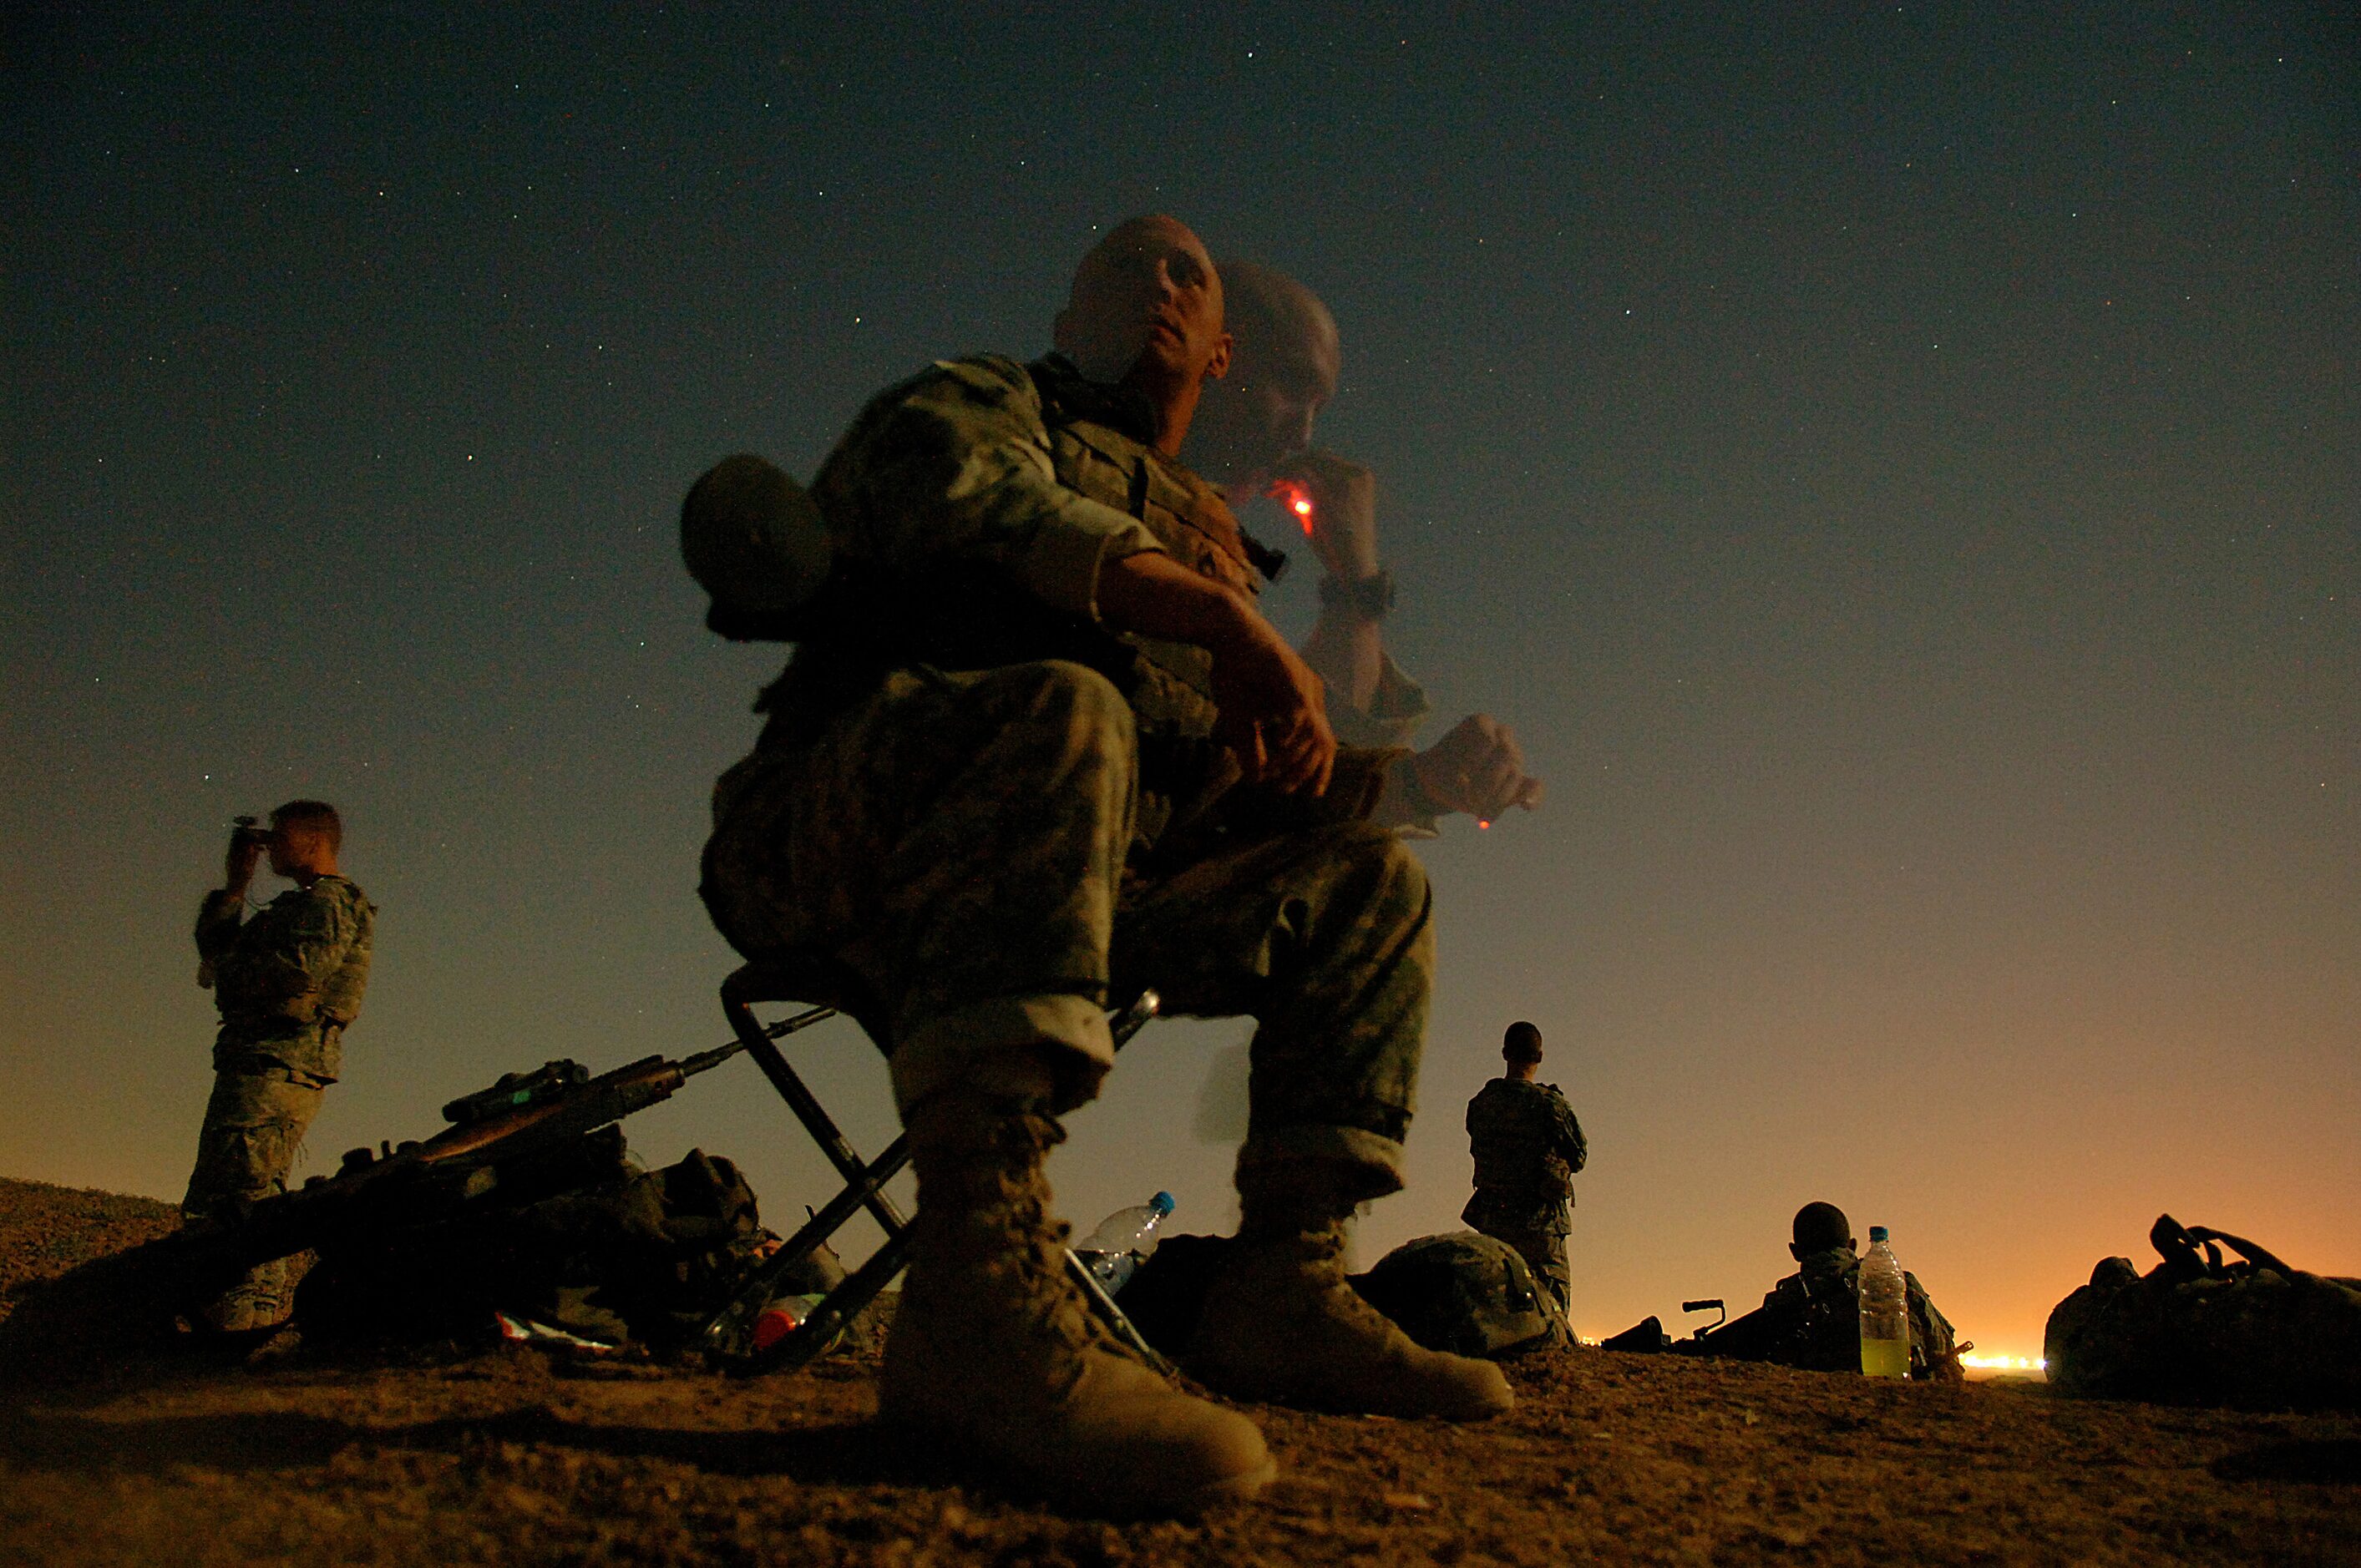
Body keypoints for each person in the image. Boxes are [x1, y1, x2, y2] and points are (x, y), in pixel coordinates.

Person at [700, 215, 1512, 1517]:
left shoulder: (1205, 536)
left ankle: (1282, 1285)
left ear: (1216, 344)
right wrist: (1215, 617)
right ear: (1074, 312)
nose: (1157, 283)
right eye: (1124, 265)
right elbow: (971, 501)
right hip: (839, 827)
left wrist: (1414, 783)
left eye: (1186, 271)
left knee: (1369, 876)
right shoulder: (985, 400)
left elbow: (1249, 775)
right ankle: (975, 1289)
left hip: (1081, 890)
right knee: (1065, 709)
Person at [1185, 259, 1545, 834]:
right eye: (1287, 384)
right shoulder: (1061, 482)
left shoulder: (1210, 547)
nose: (1302, 436)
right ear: (1211, 356)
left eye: (1318, 409)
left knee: (1377, 877)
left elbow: (1287, 788)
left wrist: (1357, 584)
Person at [183, 800, 375, 1331]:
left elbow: (294, 981)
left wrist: (229, 972)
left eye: (281, 836)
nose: (269, 846)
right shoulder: (302, 905)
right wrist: (236, 884)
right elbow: (214, 946)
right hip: (264, 1062)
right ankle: (242, 1325)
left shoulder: (329, 904)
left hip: (277, 1065)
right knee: (250, 1192)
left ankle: (237, 1328)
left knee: (236, 1198)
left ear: (314, 841)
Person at [1700, 1201, 1963, 1381]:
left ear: (1795, 1252)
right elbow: (1945, 1354)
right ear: (1852, 1245)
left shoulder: (1786, 1301)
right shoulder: (1900, 1282)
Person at [1461, 1021, 1588, 1317]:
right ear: (1539, 1057)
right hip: (1540, 1227)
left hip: (1494, 1220)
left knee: (1497, 1306)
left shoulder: (1481, 1104)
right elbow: (1579, 1156)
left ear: (1505, 1053)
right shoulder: (1550, 1106)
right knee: (1550, 1310)